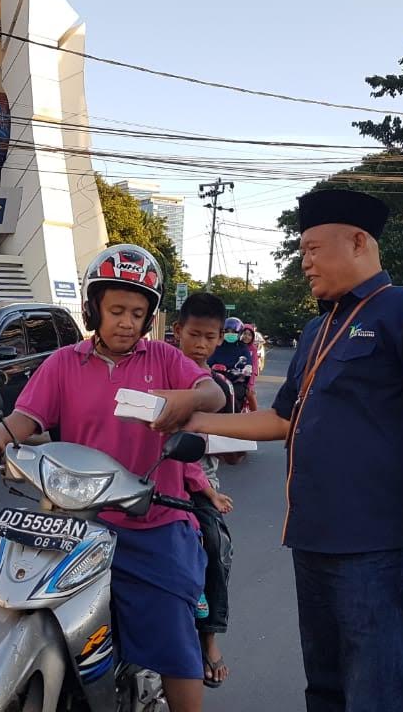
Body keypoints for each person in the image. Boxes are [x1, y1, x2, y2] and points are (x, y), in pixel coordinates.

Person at [186, 188, 403, 712]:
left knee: (377, 694)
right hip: (313, 543)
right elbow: (282, 419)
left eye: (313, 249)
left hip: (378, 548)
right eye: (303, 251)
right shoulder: (318, 329)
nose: (305, 263)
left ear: (358, 242)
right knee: (324, 689)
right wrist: (194, 419)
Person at [0, 244, 227, 712]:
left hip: (154, 522)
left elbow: (213, 394)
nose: (126, 322)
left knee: (172, 635)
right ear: (93, 310)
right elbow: (27, 416)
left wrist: (187, 400)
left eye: (137, 313)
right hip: (76, 521)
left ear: (149, 318)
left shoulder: (164, 360)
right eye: (116, 311)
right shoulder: (63, 362)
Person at [171, 291, 237, 690]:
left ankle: (209, 636)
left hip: (200, 485)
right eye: (194, 334)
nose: (201, 344)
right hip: (155, 474)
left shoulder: (220, 386)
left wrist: (232, 443)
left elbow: (231, 450)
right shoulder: (160, 373)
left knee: (214, 544)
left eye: (209, 337)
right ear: (177, 330)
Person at [208, 317, 254, 413]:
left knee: (234, 395)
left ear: (239, 333)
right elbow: (208, 361)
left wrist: (247, 368)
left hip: (236, 382)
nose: (230, 334)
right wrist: (211, 367)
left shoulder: (243, 347)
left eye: (233, 332)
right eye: (227, 331)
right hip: (216, 380)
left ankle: (235, 418)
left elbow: (248, 363)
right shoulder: (217, 346)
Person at [238, 325, 261, 411]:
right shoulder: (236, 346)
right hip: (234, 376)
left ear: (252, 337)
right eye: (244, 334)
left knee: (250, 394)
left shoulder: (253, 349)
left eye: (249, 335)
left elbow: (254, 366)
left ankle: (255, 415)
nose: (246, 336)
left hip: (247, 378)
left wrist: (250, 384)